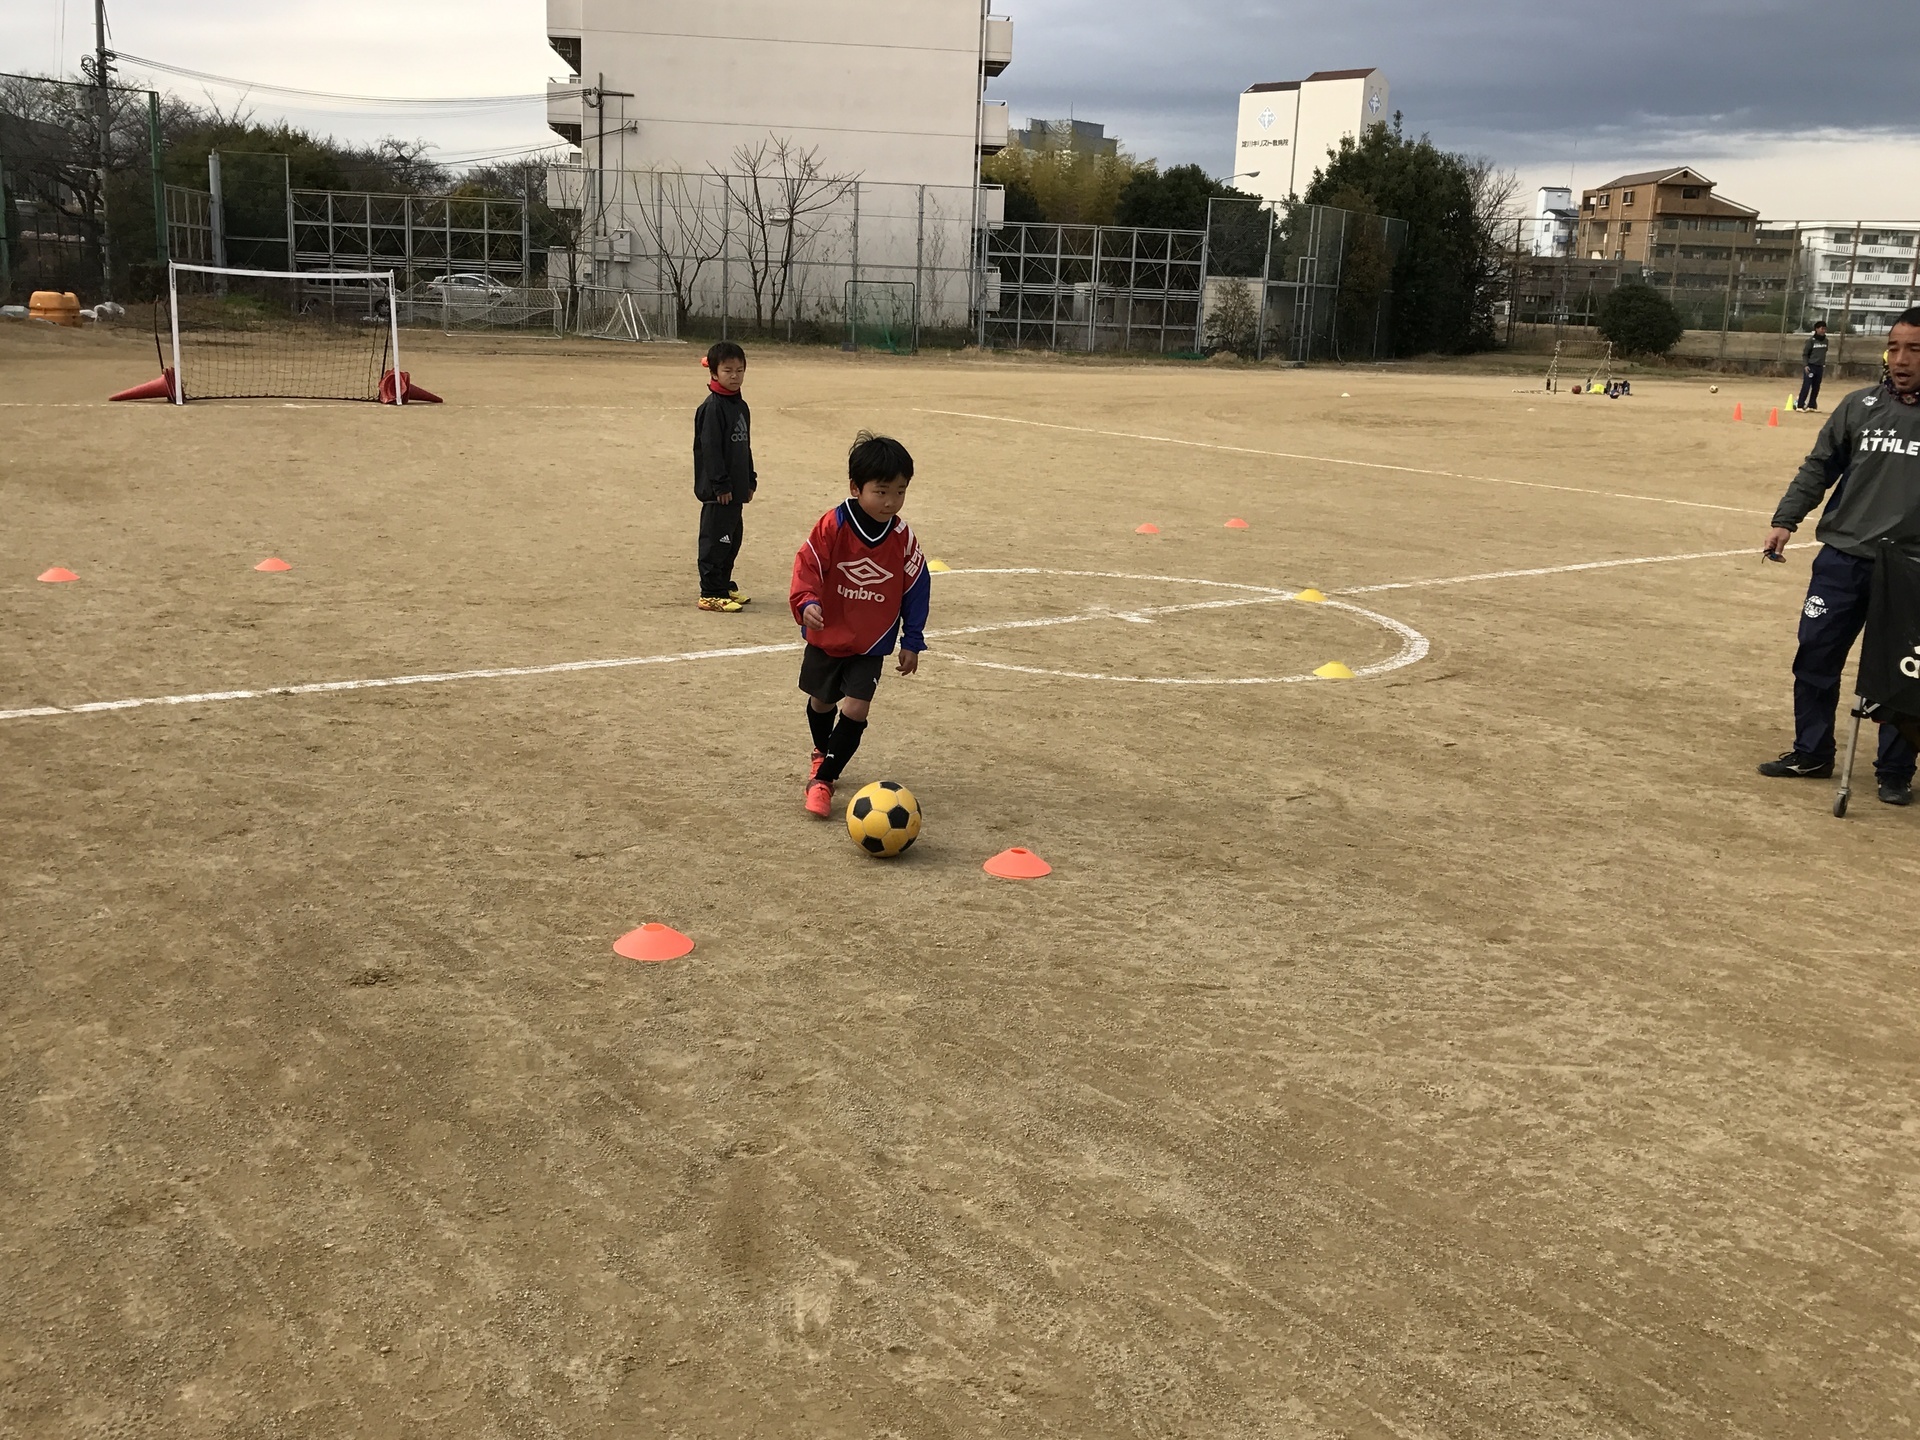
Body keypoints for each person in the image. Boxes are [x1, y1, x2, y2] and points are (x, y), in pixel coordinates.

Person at [1760, 307, 1920, 805]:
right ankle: (1811, 752)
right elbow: (1819, 466)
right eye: (1894, 347)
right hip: (1843, 559)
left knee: (1902, 673)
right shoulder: (1859, 405)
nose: (1901, 359)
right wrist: (1786, 519)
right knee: (1815, 656)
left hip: (1910, 568)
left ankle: (1894, 770)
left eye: (1915, 349)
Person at [789, 433, 931, 818]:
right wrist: (807, 603)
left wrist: (912, 639)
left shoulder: (903, 538)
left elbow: (917, 588)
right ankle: (821, 751)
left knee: (856, 707)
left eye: (900, 492)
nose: (890, 503)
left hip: (871, 641)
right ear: (856, 488)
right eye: (881, 492)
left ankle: (824, 780)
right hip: (828, 635)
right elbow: (808, 565)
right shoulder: (834, 525)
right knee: (823, 701)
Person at [692, 341, 755, 613]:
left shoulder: (740, 406)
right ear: (714, 373)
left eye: (739, 370)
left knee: (732, 539)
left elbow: (745, 446)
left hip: (736, 488)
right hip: (719, 492)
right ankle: (710, 592)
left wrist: (750, 479)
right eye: (728, 370)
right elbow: (711, 450)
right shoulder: (712, 407)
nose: (734, 376)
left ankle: (724, 584)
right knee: (715, 541)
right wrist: (720, 484)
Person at [1797, 321, 1830, 412]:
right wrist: (1806, 365)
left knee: (1816, 387)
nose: (1823, 330)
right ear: (1816, 329)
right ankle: (1800, 405)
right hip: (1811, 367)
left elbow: (1824, 352)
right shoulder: (1811, 341)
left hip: (1820, 367)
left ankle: (1811, 405)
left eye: (1825, 329)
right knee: (1806, 386)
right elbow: (1805, 354)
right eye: (1821, 328)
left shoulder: (1826, 341)